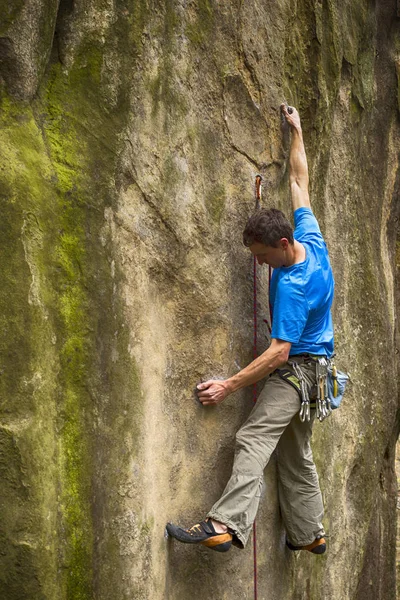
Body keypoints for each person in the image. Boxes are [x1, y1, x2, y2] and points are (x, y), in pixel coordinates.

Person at [166, 105, 334, 555]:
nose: (258, 264)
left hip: (296, 372)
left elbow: (280, 353)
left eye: (261, 257)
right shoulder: (310, 238)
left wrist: (228, 385)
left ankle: (224, 524)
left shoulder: (297, 288)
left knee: (253, 436)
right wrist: (296, 131)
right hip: (318, 373)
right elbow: (299, 181)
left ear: (281, 245)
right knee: (296, 455)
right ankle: (309, 533)